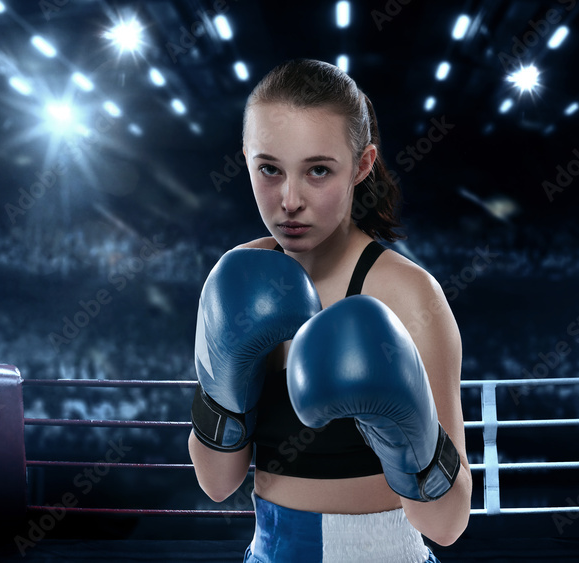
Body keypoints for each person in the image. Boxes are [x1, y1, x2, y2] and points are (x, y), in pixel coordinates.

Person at [188, 59, 471, 562]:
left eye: (318, 170)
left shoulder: (408, 295)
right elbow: (217, 483)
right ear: (247, 159)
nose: (289, 200)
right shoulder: (239, 278)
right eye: (269, 169)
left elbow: (447, 524)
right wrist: (223, 391)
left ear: (362, 165)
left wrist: (408, 438)